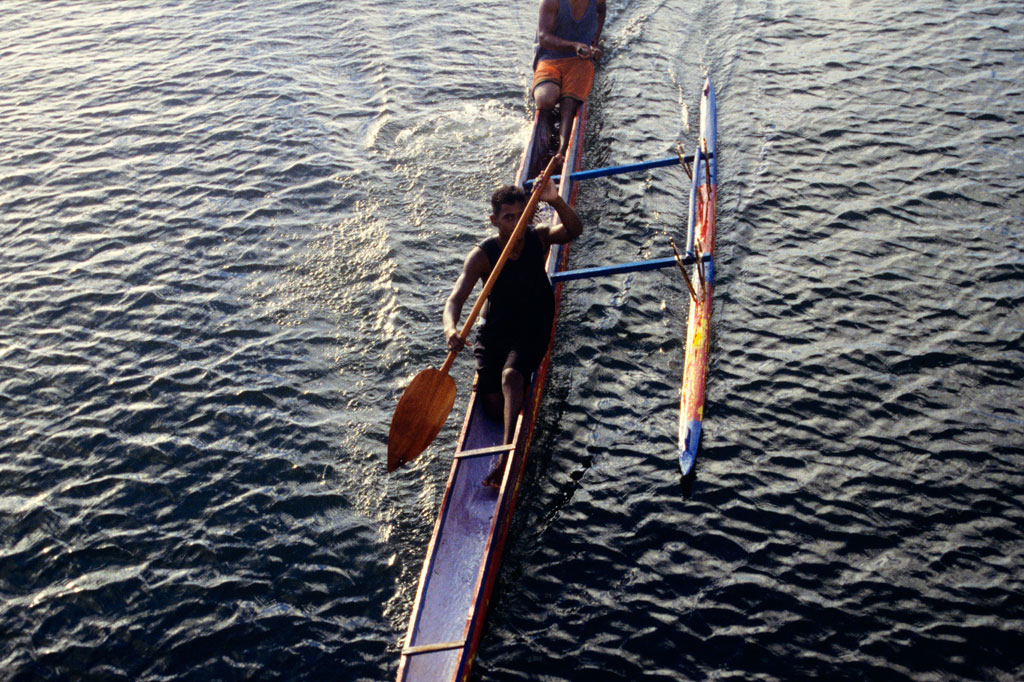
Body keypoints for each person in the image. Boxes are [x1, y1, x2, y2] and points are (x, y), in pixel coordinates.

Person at [443, 168, 583, 488]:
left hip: (534, 321)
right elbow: (454, 301)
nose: (516, 224)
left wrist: (556, 200)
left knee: (511, 377)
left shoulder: (539, 237)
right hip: (498, 326)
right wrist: (451, 331)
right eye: (508, 217)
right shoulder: (483, 255)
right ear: (494, 221)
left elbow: (575, 229)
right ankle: (508, 417)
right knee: (494, 405)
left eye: (522, 216)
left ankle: (507, 455)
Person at [533, 0, 606, 164]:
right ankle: (545, 138)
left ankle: (562, 150)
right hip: (551, 58)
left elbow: (601, 11)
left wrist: (594, 42)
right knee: (545, 99)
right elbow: (543, 38)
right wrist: (574, 46)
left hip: (579, 60)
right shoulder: (551, 2)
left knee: (569, 103)